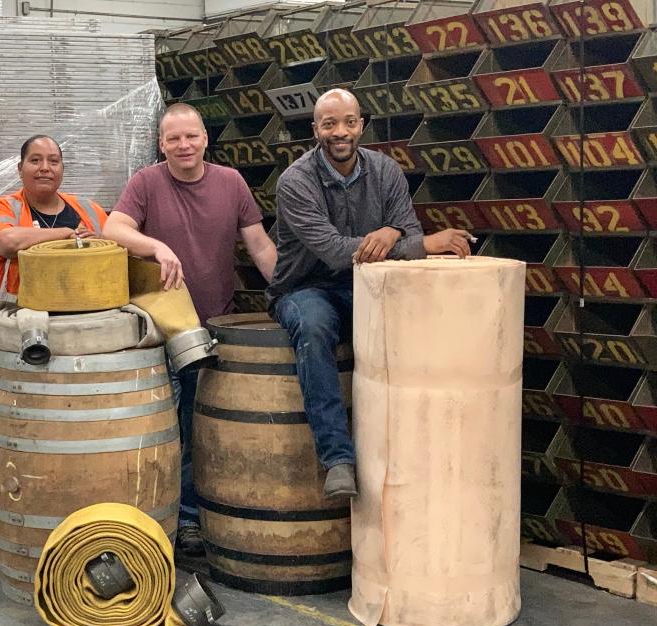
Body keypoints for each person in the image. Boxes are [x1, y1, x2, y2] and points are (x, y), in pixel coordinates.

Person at [267, 88, 473, 499]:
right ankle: (338, 460)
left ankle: (417, 446)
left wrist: (394, 231)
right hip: (306, 287)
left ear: (361, 125)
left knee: (416, 322)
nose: (339, 132)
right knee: (314, 325)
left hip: (369, 284)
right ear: (315, 130)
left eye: (348, 122)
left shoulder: (385, 171)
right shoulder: (296, 182)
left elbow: (409, 232)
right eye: (329, 124)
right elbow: (336, 250)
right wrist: (415, 241)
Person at [102, 103, 278, 556]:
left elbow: (258, 244)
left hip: (214, 324)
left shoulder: (231, 182)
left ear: (205, 139)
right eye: (173, 138)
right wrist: (156, 245)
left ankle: (194, 516)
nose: (184, 145)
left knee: (199, 427)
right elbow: (113, 226)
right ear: (161, 144)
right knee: (167, 427)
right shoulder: (146, 182)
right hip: (162, 330)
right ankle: (172, 519)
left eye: (191, 136)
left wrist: (288, 292)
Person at [0, 135, 108, 373]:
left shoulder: (89, 211)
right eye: (35, 160)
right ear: (20, 168)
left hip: (78, 341)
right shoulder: (2, 208)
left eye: (53, 161)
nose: (45, 168)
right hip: (13, 340)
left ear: (62, 168)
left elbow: (116, 251)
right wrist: (65, 234)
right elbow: (7, 242)